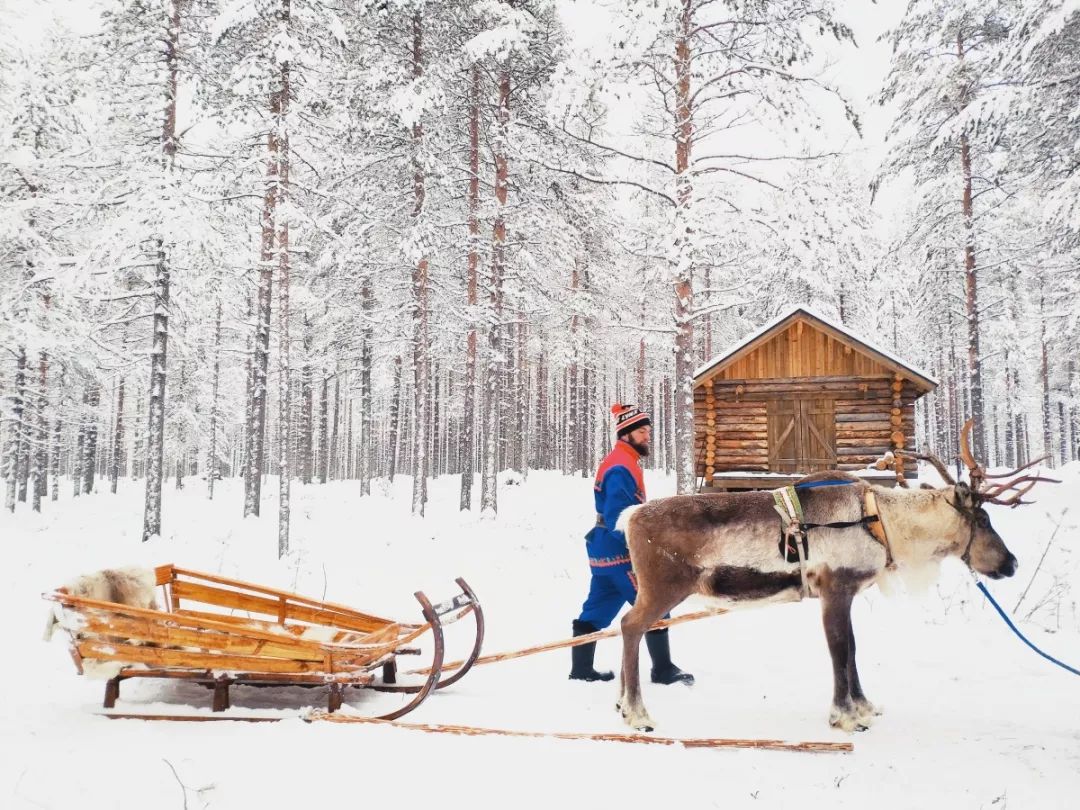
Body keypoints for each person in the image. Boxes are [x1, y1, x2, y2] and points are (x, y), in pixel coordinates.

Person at [569, 403, 694, 685]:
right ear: (625, 433)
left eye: (648, 430)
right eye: (641, 431)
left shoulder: (620, 462)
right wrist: (642, 548)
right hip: (620, 552)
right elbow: (618, 517)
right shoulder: (621, 467)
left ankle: (580, 670)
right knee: (655, 604)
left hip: (603, 553)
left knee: (597, 609)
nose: (647, 436)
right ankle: (662, 670)